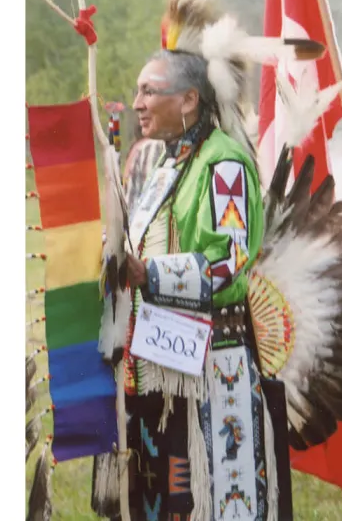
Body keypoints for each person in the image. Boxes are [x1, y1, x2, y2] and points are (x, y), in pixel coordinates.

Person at [120, 48, 291, 521]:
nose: (137, 102)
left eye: (149, 91)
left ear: (189, 99)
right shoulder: (168, 166)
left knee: (216, 493)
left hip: (218, 361)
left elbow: (231, 258)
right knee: (172, 487)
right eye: (139, 91)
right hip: (166, 357)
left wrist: (150, 275)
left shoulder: (224, 164)